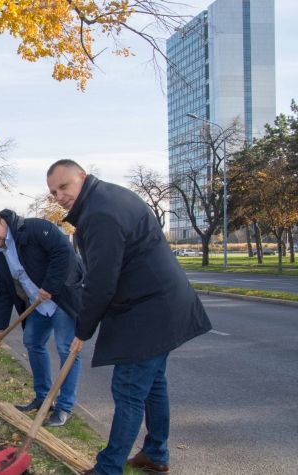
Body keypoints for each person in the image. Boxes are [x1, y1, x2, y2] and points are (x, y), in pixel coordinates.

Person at [46, 159, 212, 475]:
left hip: (150, 309)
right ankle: (156, 454)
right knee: (153, 385)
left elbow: (101, 280)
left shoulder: (100, 214)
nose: (59, 196)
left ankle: (108, 468)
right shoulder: (104, 199)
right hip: (157, 304)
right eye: (54, 192)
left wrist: (83, 328)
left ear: (81, 177)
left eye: (64, 186)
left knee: (129, 390)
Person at [0, 209, 83, 427]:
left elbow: (64, 253)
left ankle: (64, 407)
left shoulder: (34, 229)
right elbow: (3, 291)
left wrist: (50, 286)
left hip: (62, 298)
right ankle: (43, 397)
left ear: (2, 222)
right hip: (37, 304)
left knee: (66, 349)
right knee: (33, 342)